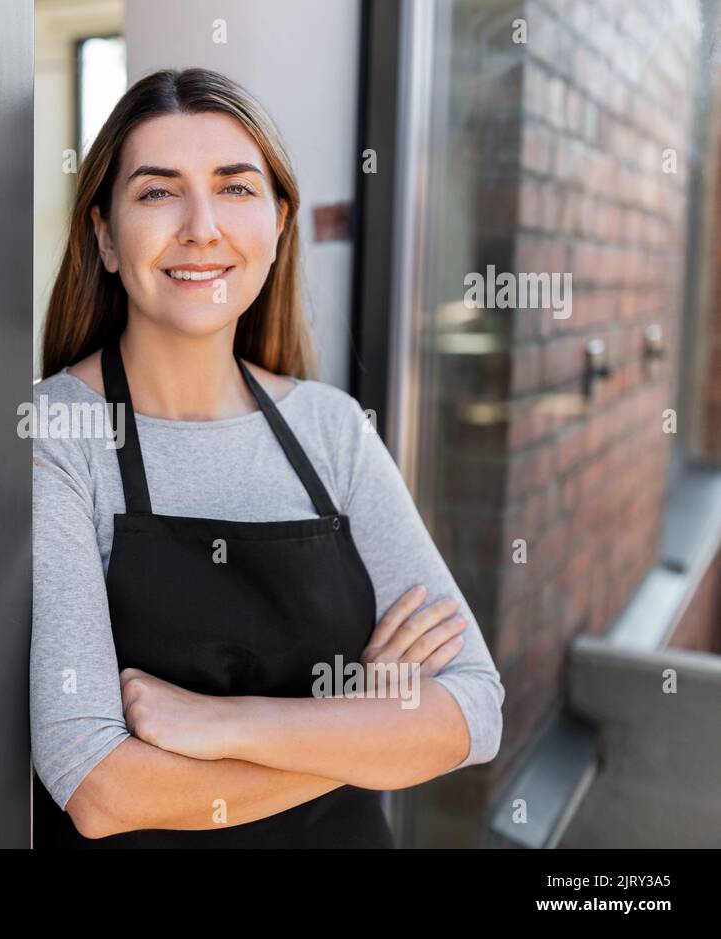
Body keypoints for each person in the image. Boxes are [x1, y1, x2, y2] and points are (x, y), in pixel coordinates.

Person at [30, 67, 504, 847]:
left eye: (236, 187)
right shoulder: (58, 432)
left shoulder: (333, 428)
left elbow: (476, 708)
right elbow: (98, 786)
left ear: (279, 224)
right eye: (157, 191)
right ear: (106, 236)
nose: (202, 225)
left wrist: (221, 723)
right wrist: (367, 730)